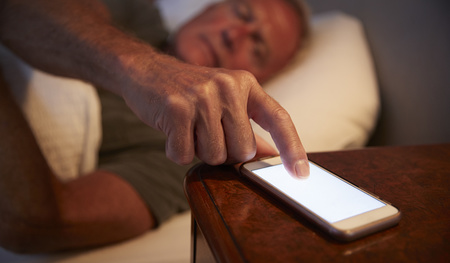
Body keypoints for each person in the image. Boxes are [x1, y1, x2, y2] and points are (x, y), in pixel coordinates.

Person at [0, 0, 310, 253]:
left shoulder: (190, 153)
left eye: (257, 47)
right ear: (208, 8)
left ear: (260, 80)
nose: (235, 34)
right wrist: (142, 70)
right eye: (242, 14)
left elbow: (31, 223)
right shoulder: (135, 10)